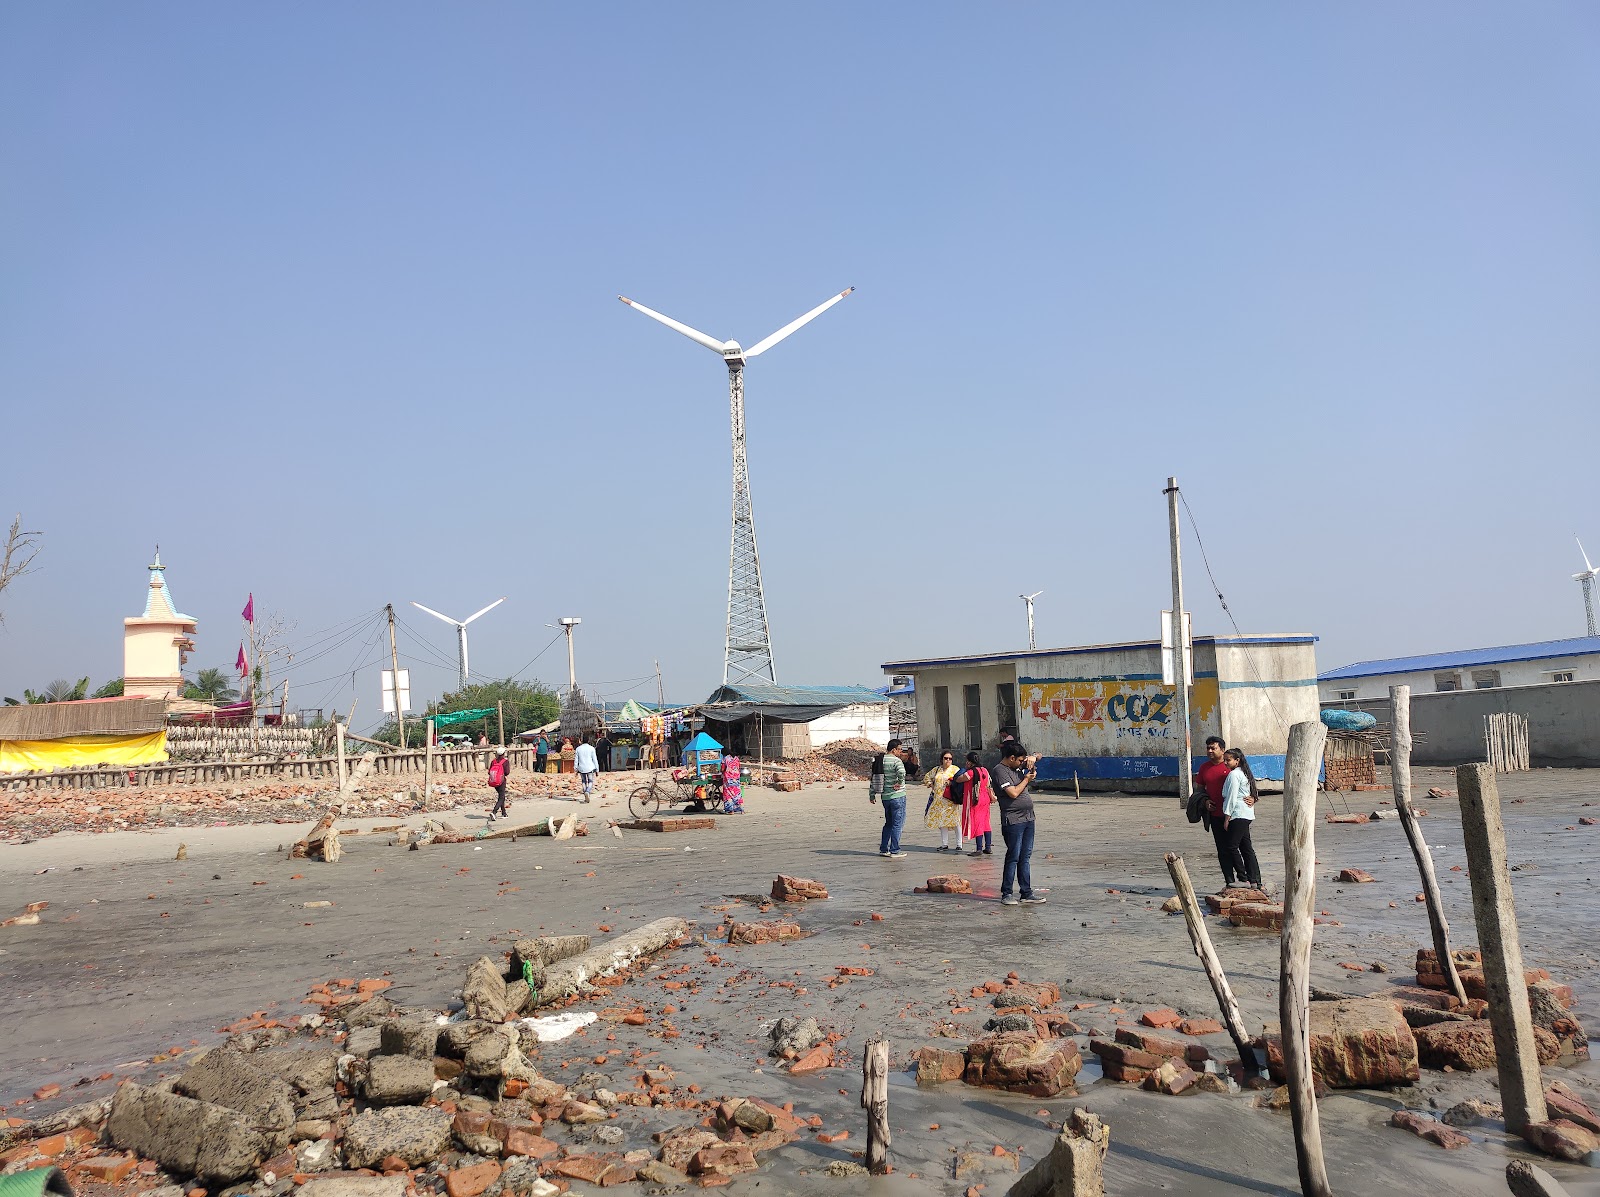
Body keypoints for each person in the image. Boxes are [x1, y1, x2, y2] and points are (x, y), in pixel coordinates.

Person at [992, 742, 1045, 905]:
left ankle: (1026, 892)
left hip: (1028, 817)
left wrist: (1033, 757)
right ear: (1011, 758)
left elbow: (1039, 754)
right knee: (1013, 856)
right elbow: (1013, 793)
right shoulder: (999, 771)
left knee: (1025, 856)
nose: (1022, 763)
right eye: (1020, 760)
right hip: (1013, 819)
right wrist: (1026, 779)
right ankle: (1006, 893)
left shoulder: (1017, 767)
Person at [1194, 736, 1237, 888]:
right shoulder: (1204, 768)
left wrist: (1252, 797)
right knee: (1222, 849)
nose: (1210, 751)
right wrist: (1205, 802)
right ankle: (1230, 882)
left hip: (1235, 816)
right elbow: (1199, 791)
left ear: (1222, 750)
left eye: (1213, 748)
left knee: (1241, 848)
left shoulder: (1232, 766)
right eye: (1208, 748)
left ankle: (1251, 880)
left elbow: (1247, 783)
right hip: (1215, 816)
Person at [1220, 748, 1263, 889]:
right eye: (1224, 760)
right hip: (1246, 814)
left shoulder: (1234, 775)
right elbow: (1253, 792)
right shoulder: (1245, 774)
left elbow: (1231, 797)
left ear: (1237, 761)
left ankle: (1243, 878)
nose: (1225, 762)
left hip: (1238, 814)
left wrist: (1227, 817)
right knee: (1246, 848)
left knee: (1231, 846)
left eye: (1228, 760)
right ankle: (1255, 880)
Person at [875, 739, 910, 859]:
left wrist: (871, 794)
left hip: (885, 797)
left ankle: (884, 848)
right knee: (897, 824)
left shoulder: (880, 760)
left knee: (888, 823)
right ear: (894, 749)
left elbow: (875, 777)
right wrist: (899, 783)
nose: (900, 752)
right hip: (897, 796)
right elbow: (902, 773)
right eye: (899, 749)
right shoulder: (896, 761)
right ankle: (894, 850)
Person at [956, 751, 994, 855]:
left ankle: (979, 849)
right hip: (985, 798)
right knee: (986, 822)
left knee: (977, 822)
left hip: (975, 799)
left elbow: (959, 779)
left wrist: (964, 769)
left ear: (970, 761)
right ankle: (988, 847)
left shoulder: (971, 772)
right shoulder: (984, 770)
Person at [924, 750, 963, 851]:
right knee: (942, 822)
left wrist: (952, 783)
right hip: (939, 800)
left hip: (950, 799)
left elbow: (961, 781)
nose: (948, 760)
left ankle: (959, 844)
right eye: (946, 758)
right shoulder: (937, 769)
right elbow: (927, 777)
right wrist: (930, 784)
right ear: (942, 759)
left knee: (955, 821)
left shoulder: (955, 769)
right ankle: (944, 843)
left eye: (950, 758)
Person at [486, 748, 510, 821]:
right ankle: (494, 812)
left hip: (494, 781)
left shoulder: (493, 761)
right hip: (501, 781)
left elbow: (489, 771)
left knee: (501, 796)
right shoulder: (505, 761)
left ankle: (504, 813)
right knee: (501, 797)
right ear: (503, 753)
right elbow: (507, 772)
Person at [574, 734, 598, 801]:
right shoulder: (592, 748)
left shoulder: (578, 749)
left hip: (581, 768)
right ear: (588, 740)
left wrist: (575, 769)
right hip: (590, 767)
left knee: (583, 781)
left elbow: (576, 760)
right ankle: (588, 791)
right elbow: (595, 759)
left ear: (581, 740)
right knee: (590, 781)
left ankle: (585, 794)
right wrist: (597, 769)